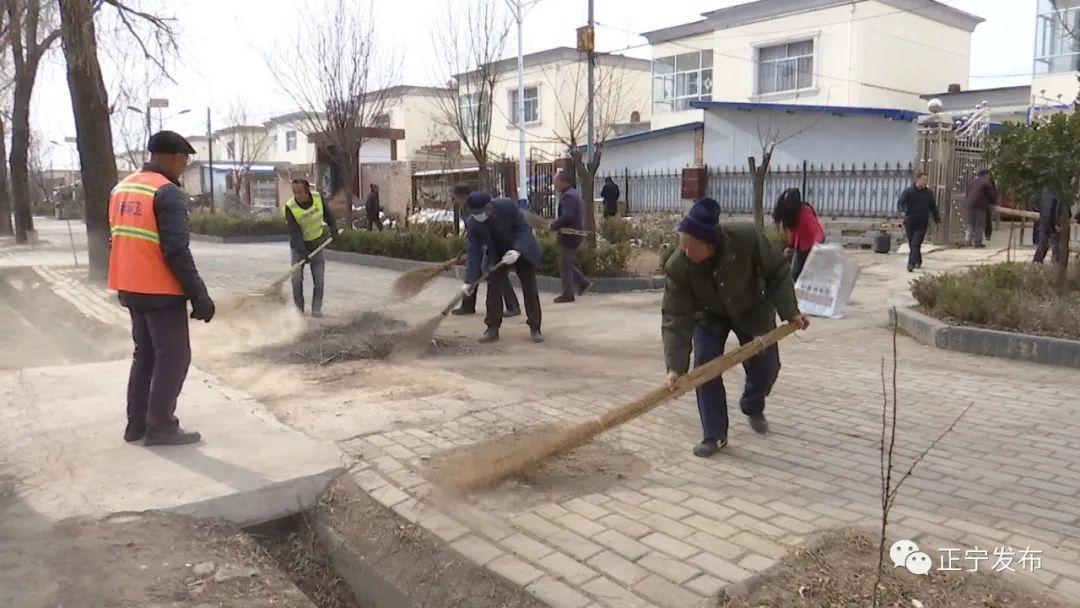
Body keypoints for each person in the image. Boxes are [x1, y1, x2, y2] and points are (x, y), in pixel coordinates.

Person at [662, 197, 810, 458]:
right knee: (705, 369)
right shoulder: (679, 266)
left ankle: (752, 405)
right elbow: (676, 316)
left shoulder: (746, 239)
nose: (685, 250)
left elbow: (777, 271)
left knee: (766, 367)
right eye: (682, 243)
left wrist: (790, 311)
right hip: (709, 316)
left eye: (691, 245)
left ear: (709, 244)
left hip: (752, 308)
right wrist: (675, 366)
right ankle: (714, 434)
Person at [108, 131, 213, 447]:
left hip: (129, 285)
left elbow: (115, 237)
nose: (183, 166)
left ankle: (136, 424)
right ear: (174, 158)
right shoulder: (166, 193)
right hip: (159, 289)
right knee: (174, 357)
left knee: (146, 355)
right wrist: (199, 294)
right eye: (184, 161)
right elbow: (176, 250)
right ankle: (161, 425)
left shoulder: (121, 188)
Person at [463, 190, 543, 344]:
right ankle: (492, 329)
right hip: (497, 254)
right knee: (493, 290)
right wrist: (469, 281)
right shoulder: (473, 223)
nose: (477, 216)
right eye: (474, 213)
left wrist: (517, 250)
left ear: (488, 206)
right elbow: (474, 252)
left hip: (522, 251)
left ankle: (535, 327)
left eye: (479, 212)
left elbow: (523, 229)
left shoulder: (506, 206)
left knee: (530, 289)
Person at [449, 184, 520, 317]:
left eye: (456, 198)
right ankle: (468, 305)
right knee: (473, 272)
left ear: (462, 197)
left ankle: (513, 306)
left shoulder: (481, 204)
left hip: (491, 245)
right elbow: (473, 233)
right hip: (478, 243)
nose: (455, 201)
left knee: (494, 271)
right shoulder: (466, 209)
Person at [284, 178, 338, 317]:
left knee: (319, 280)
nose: (297, 195)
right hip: (298, 247)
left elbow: (329, 215)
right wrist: (303, 253)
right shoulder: (290, 207)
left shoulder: (318, 197)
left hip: (317, 242)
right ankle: (299, 311)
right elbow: (295, 233)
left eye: (300, 192)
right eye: (295, 192)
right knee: (296, 280)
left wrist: (334, 230)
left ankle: (316, 309)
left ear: (307, 190)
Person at [550, 170, 593, 303]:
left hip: (570, 234)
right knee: (565, 263)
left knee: (565, 265)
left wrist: (553, 225)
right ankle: (582, 282)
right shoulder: (570, 194)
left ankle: (568, 294)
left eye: (556, 181)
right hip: (571, 233)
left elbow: (567, 216)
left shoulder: (568, 196)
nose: (554, 184)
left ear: (563, 182)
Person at [771, 188, 825, 281]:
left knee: (807, 276)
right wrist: (790, 246)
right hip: (799, 248)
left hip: (811, 249)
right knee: (793, 274)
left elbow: (817, 231)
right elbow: (794, 231)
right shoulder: (792, 216)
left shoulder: (805, 213)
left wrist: (817, 246)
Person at [897, 172, 941, 272]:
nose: (925, 182)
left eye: (926, 180)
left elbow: (933, 207)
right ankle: (918, 260)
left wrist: (937, 221)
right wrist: (902, 211)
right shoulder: (909, 191)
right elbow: (900, 203)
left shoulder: (929, 193)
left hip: (922, 222)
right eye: (923, 179)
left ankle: (910, 264)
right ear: (917, 180)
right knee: (912, 243)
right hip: (910, 221)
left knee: (915, 243)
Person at [964, 169, 997, 248]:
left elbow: (967, 193)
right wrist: (993, 203)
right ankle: (977, 243)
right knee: (980, 224)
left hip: (970, 205)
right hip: (980, 206)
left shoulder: (973, 182)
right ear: (987, 175)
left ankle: (968, 241)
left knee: (970, 223)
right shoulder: (987, 183)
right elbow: (991, 195)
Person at [1033, 187, 1061, 265]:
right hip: (1053, 222)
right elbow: (1058, 207)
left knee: (1042, 243)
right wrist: (1057, 223)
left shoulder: (1044, 189)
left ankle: (1036, 263)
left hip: (1044, 219)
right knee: (1056, 245)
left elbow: (1035, 203)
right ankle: (1056, 264)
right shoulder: (1060, 191)